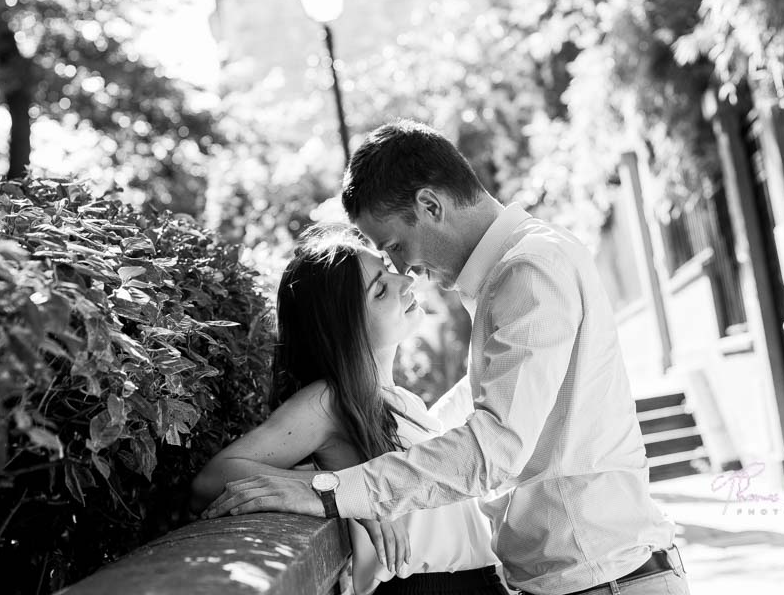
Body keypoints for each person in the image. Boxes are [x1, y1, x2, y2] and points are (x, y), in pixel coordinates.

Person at [204, 120, 690, 595]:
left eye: (394, 245)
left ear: (430, 205)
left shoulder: (529, 269)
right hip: (591, 576)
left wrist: (330, 492)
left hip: (604, 577)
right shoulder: (518, 268)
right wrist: (333, 486)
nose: (403, 269)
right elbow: (461, 420)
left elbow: (493, 447)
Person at [191, 224, 507, 595]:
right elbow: (211, 480)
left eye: (389, 269)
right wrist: (332, 492)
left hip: (477, 581)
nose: (404, 282)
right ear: (345, 326)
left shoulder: (398, 400)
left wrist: (344, 491)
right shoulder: (331, 399)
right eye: (380, 289)